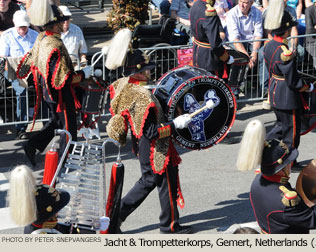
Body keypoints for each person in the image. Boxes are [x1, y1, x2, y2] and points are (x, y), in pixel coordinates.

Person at [105, 28, 193, 234]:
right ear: (137, 72)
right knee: (161, 181)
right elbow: (153, 131)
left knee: (152, 181)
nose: (150, 72)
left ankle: (117, 218)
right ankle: (168, 225)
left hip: (141, 144)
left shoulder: (125, 85)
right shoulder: (142, 96)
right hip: (154, 146)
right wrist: (175, 124)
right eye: (147, 69)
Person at [17, 0, 91, 167]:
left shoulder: (42, 37)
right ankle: (66, 161)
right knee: (68, 129)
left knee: (56, 122)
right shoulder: (54, 44)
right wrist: (82, 74)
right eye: (61, 21)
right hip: (60, 94)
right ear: (54, 24)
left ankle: (32, 145)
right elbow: (63, 79)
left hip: (47, 91)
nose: (63, 24)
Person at [237, 119, 316, 234]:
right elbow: (315, 220)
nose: (290, 166)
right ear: (280, 170)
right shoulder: (286, 202)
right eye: (288, 163)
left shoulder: (258, 180)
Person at [263, 0, 313, 169]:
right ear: (285, 30)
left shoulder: (270, 45)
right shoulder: (285, 52)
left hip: (275, 91)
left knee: (280, 126)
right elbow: (294, 81)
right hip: (287, 96)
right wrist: (308, 87)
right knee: (291, 132)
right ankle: (290, 160)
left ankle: (266, 145)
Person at [8, 165, 109, 233]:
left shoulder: (40, 224)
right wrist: (89, 230)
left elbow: (64, 230)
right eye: (58, 208)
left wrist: (90, 223)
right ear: (49, 214)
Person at [0, 10, 38, 139]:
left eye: (25, 27)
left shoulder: (34, 35)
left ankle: (25, 127)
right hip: (11, 70)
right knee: (21, 90)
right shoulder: (7, 35)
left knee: (43, 87)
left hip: (31, 70)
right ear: (15, 24)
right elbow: (3, 59)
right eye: (20, 27)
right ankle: (20, 127)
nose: (23, 30)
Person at [226, 0, 268, 95]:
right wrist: (247, 57)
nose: (241, 4)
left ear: (251, 3)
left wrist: (254, 52)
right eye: (240, 1)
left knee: (264, 54)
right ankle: (234, 87)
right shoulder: (232, 14)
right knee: (239, 57)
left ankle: (264, 88)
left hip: (252, 41)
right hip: (237, 42)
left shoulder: (257, 12)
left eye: (245, 2)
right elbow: (235, 39)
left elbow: (258, 34)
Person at [189, 0, 234, 77]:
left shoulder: (196, 4)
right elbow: (215, 44)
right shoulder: (209, 12)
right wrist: (227, 58)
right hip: (209, 59)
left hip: (197, 54)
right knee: (212, 87)